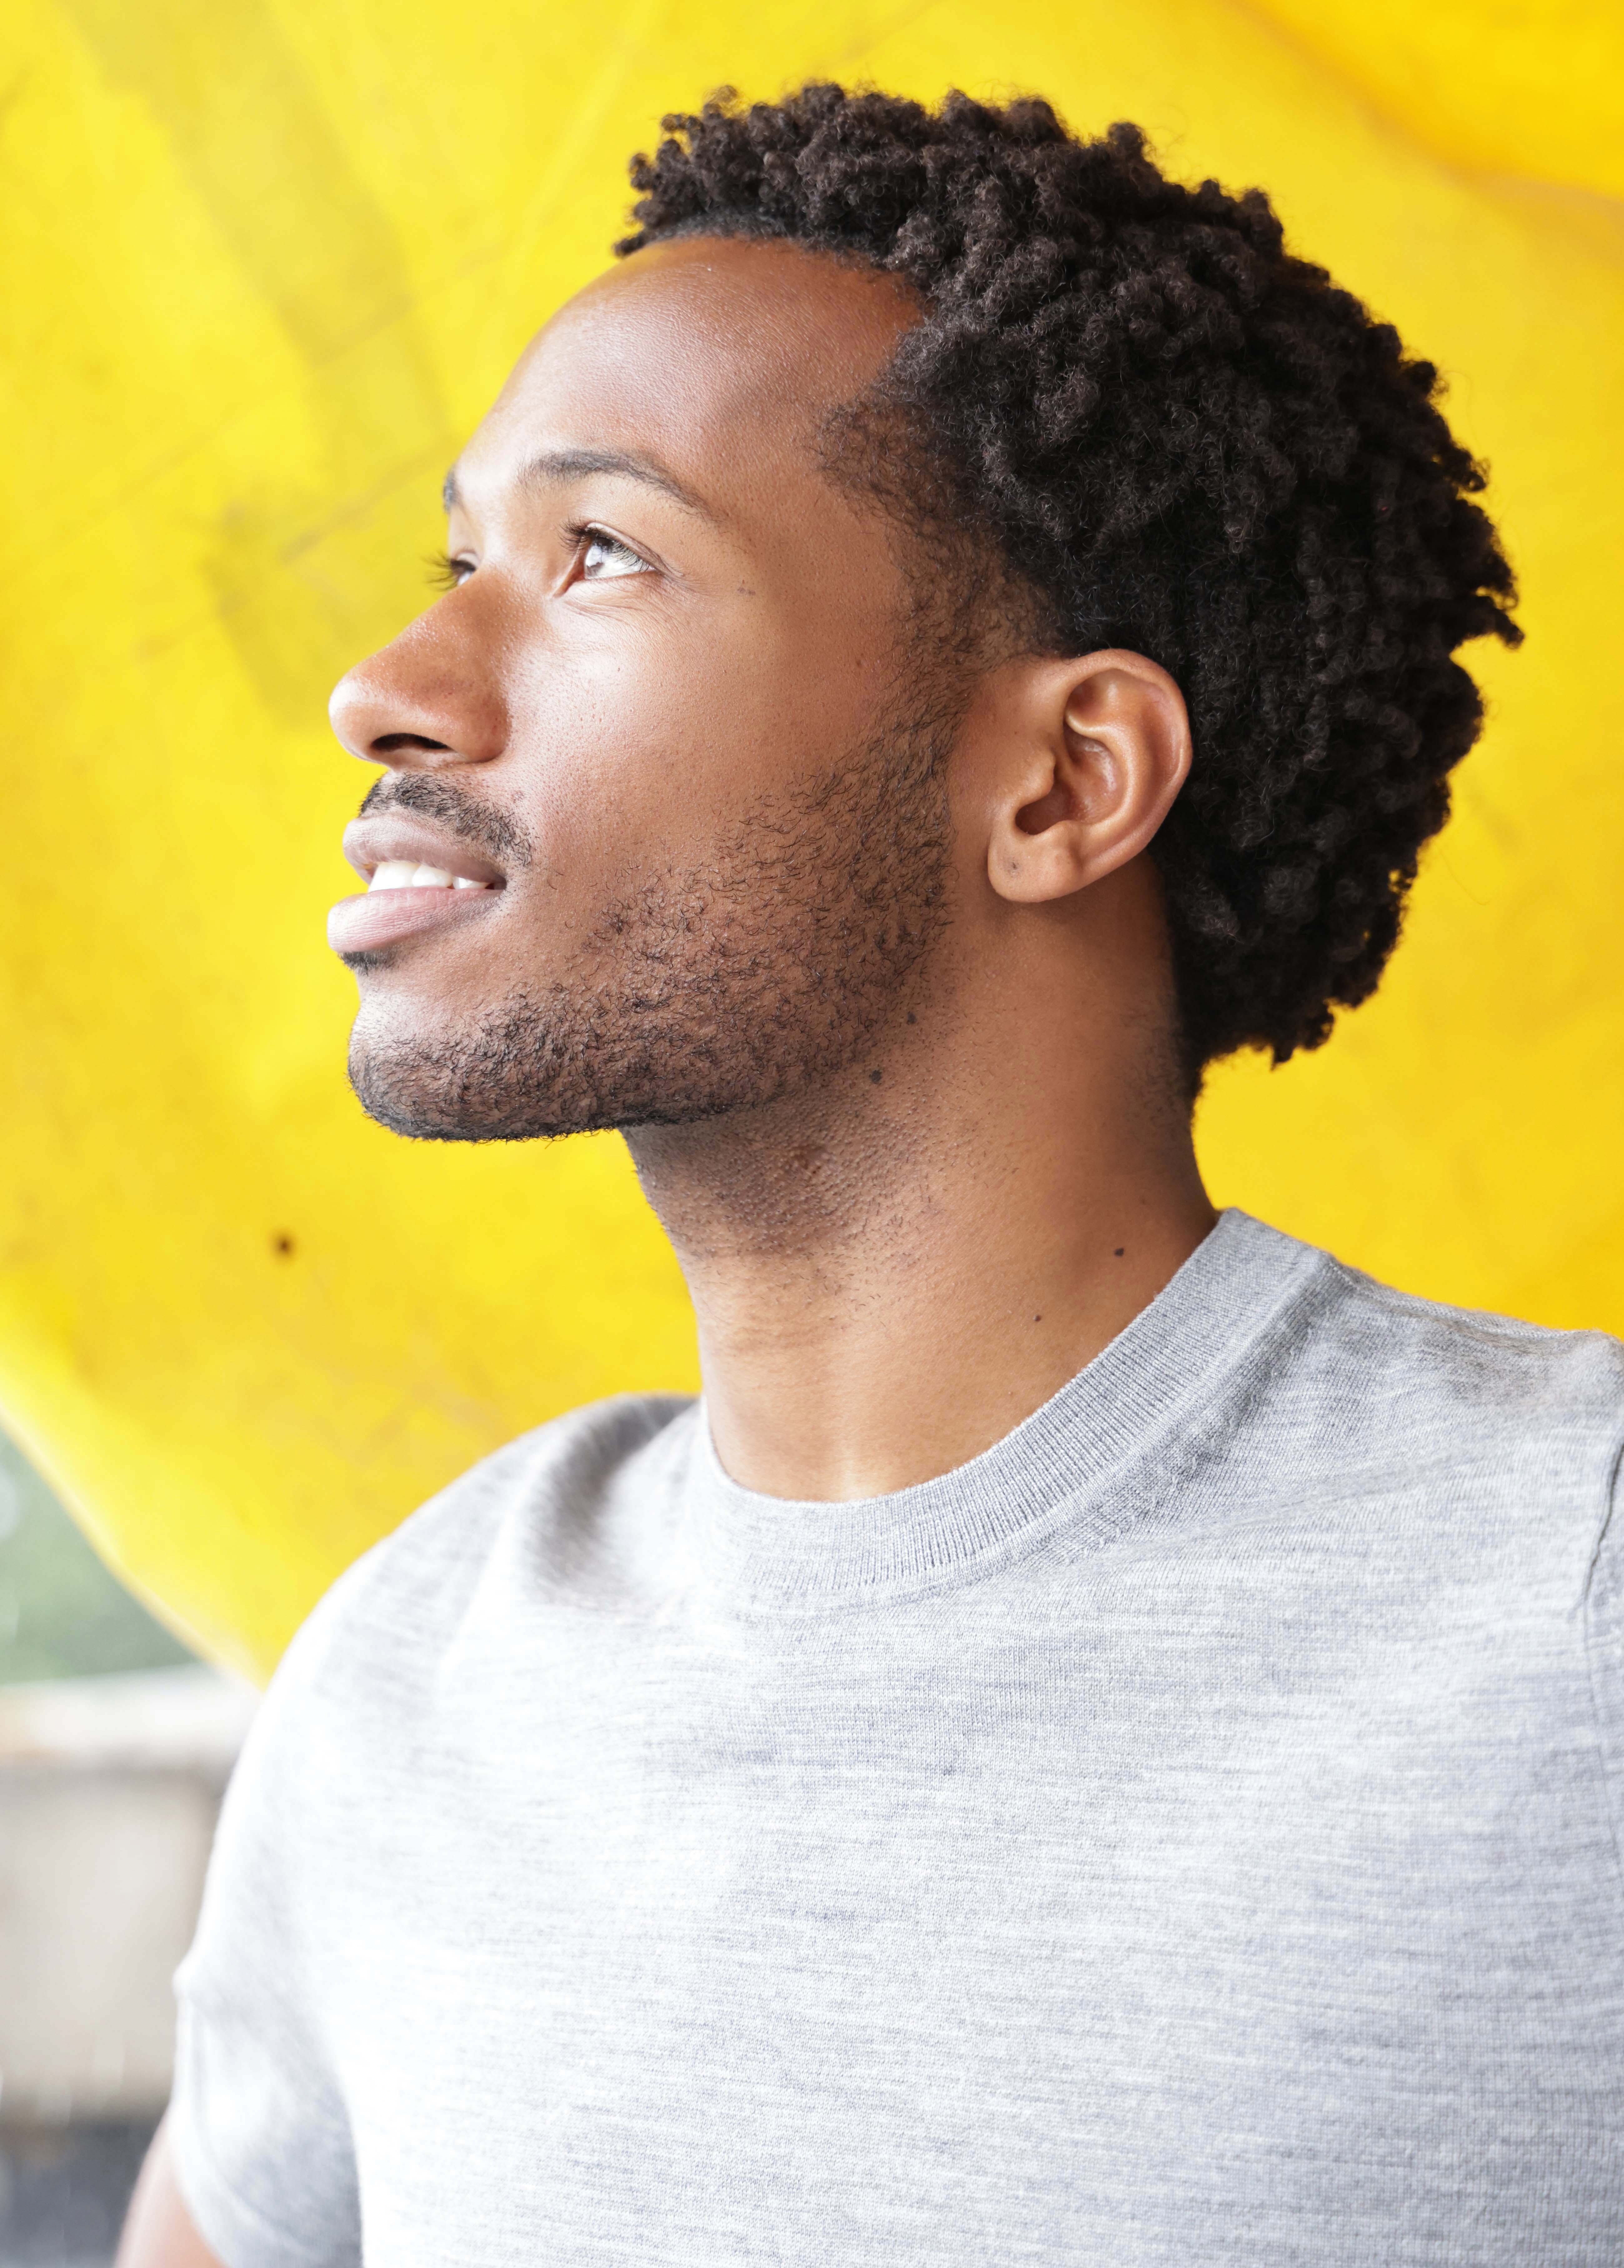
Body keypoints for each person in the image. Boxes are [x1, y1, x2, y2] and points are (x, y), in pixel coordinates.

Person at [119, 83, 1624, 2268]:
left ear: (1066, 783)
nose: (389, 686)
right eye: (459, 566)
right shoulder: (419, 1674)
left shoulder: (1571, 1589)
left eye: (600, 553)